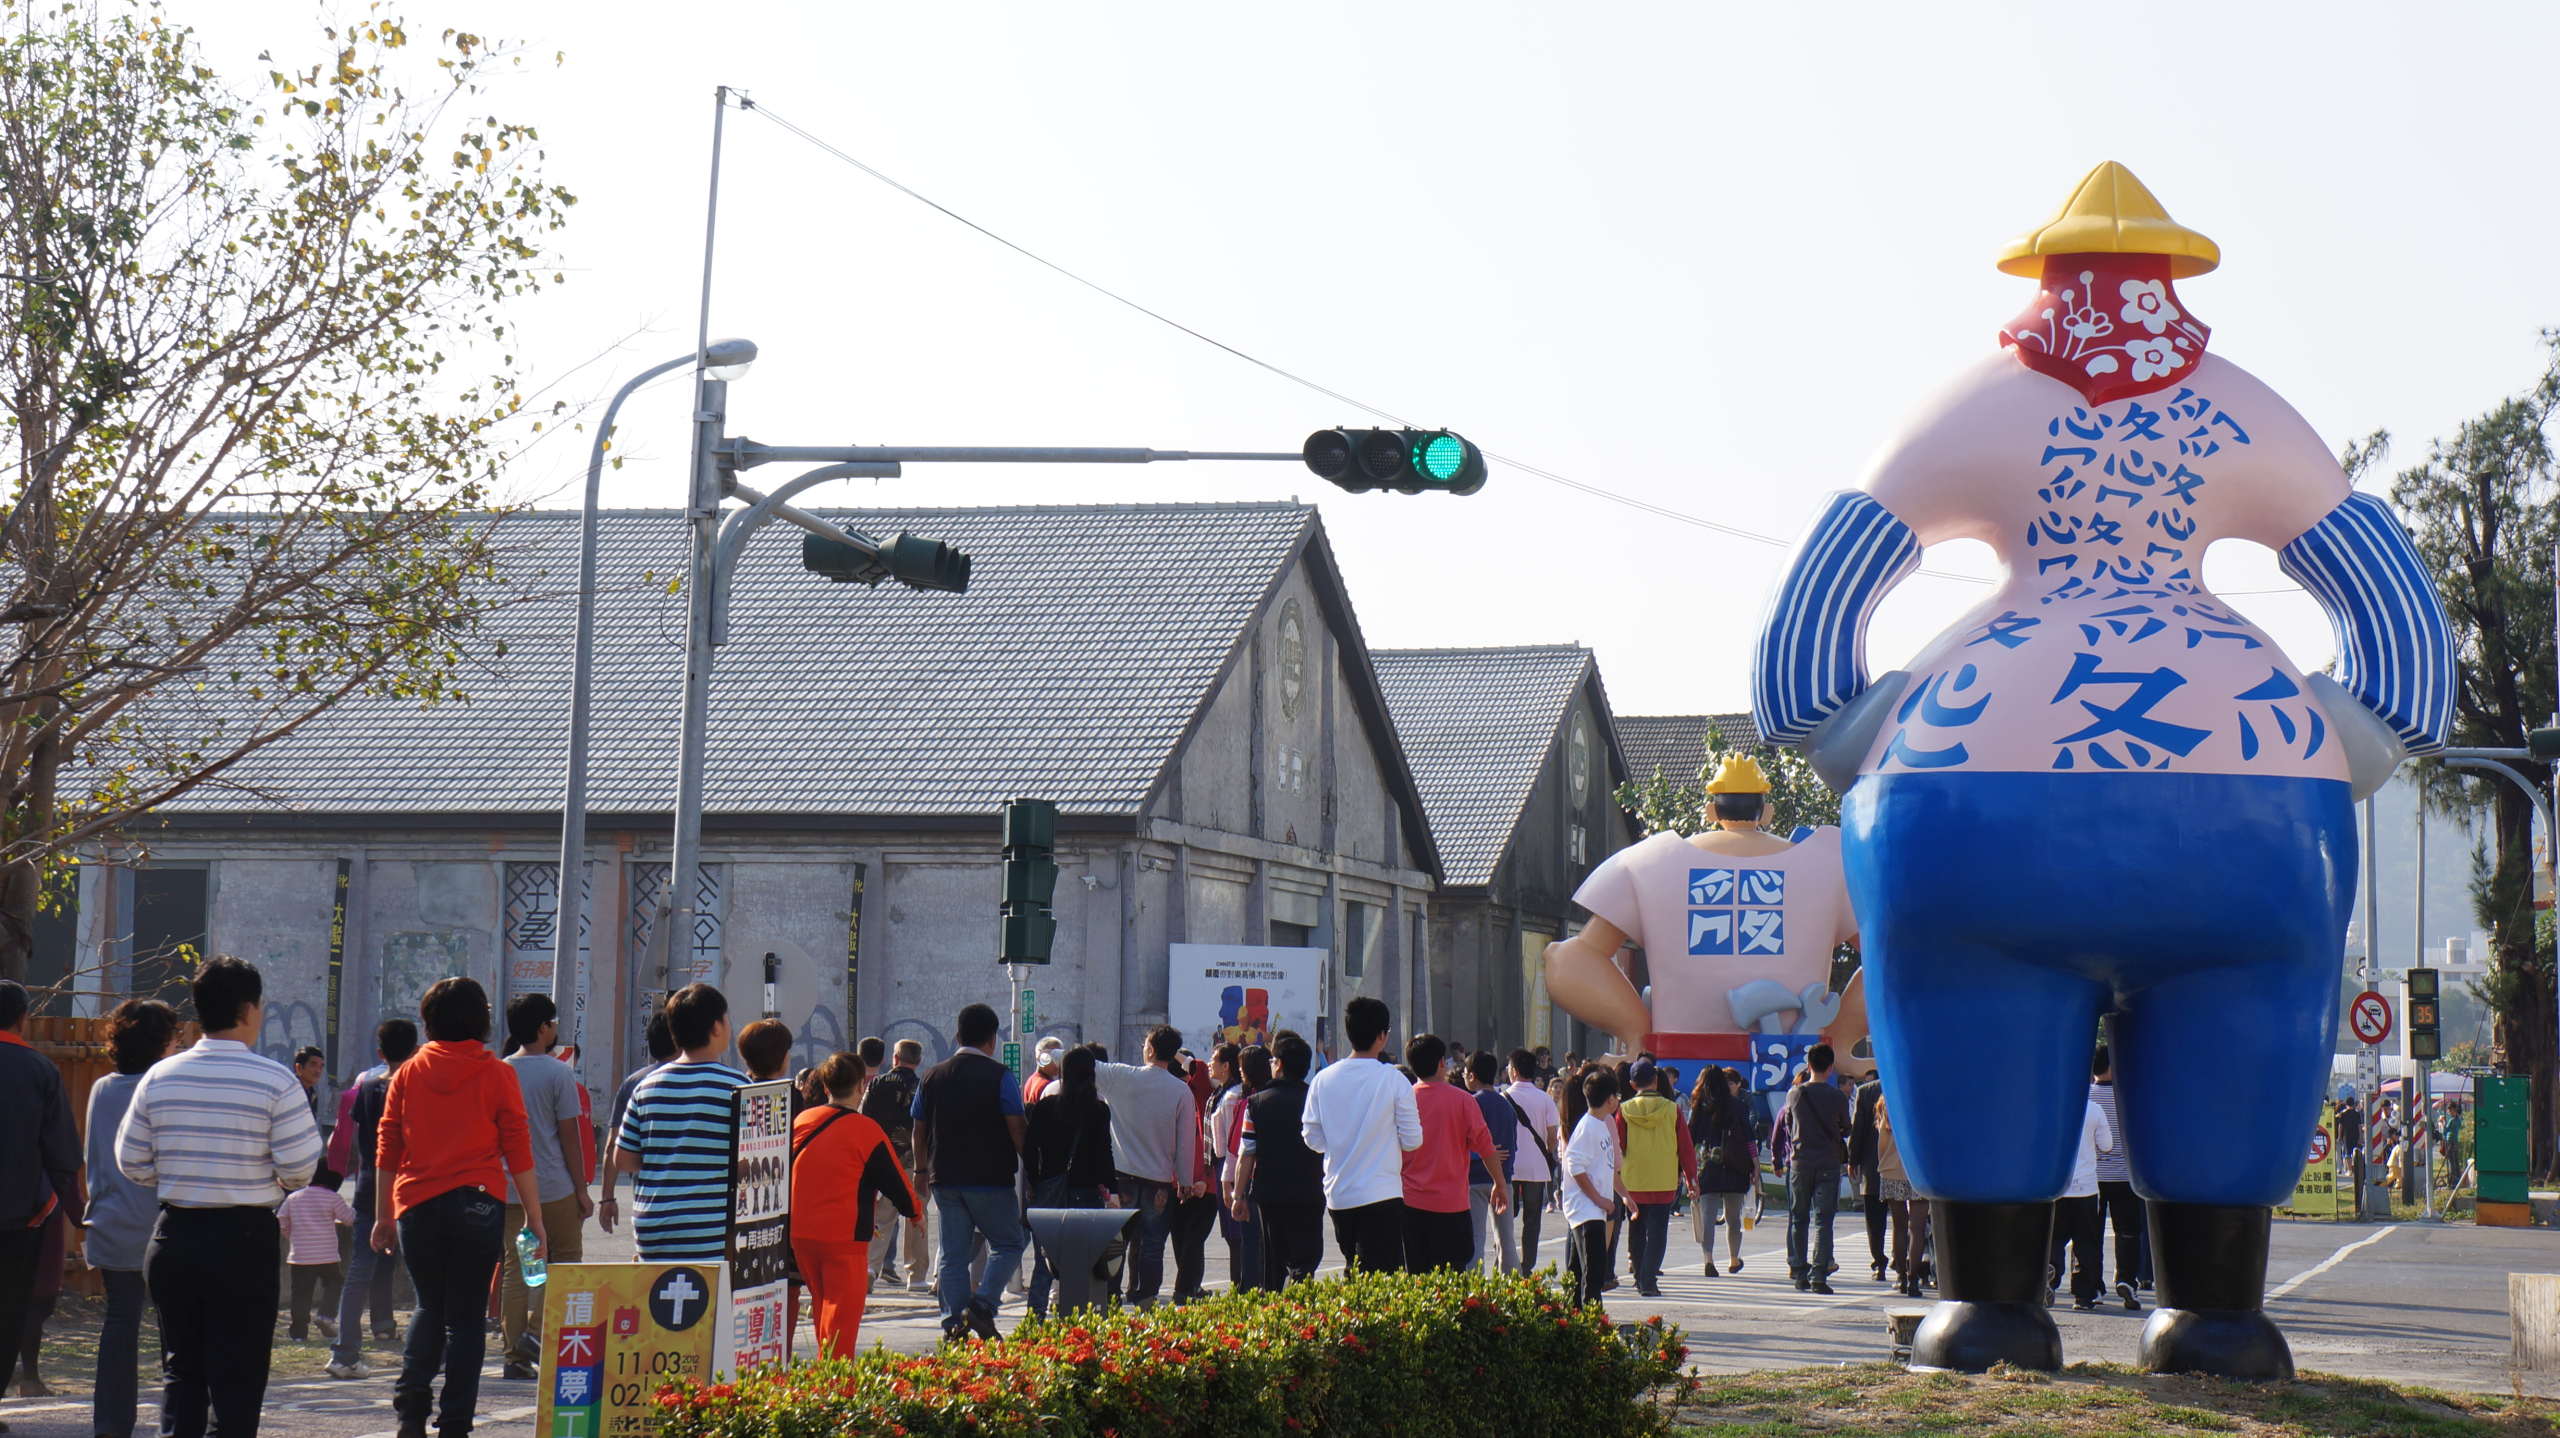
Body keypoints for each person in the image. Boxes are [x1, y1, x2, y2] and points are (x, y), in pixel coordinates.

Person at [116, 958, 317, 1438]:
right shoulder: (276, 1081)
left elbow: (132, 1161)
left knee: (182, 1372)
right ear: (249, 1009)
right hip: (243, 1239)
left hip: (175, 1236)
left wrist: (183, 1177)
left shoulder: (159, 1077)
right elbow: (301, 1168)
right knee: (237, 1382)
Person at [374, 977, 544, 1438]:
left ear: (429, 1020)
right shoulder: (496, 1073)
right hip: (480, 1204)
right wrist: (534, 1216)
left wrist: (383, 1216)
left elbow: (388, 1145)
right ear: (482, 1020)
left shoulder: (408, 1072)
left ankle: (410, 1413)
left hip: (417, 1204)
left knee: (430, 1308)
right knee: (466, 1318)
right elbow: (517, 1148)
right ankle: (454, 1424)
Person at [84, 998, 177, 1438]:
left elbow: (94, 1159)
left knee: (119, 1322)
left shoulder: (102, 1088)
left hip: (111, 1225)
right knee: (174, 1328)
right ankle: (176, 1421)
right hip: (163, 1227)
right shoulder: (167, 1087)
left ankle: (110, 1426)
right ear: (163, 1041)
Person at [912, 1003, 1029, 1340]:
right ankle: (982, 1307)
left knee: (953, 1254)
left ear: (957, 1035)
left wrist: (921, 1169)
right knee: (1009, 1242)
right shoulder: (1001, 1077)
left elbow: (918, 1128)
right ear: (992, 1040)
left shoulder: (932, 1076)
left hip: (943, 1178)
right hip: (990, 1179)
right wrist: (1033, 1170)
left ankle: (954, 1326)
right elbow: (1018, 1129)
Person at [790, 1051, 918, 1356]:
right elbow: (895, 1181)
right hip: (844, 1239)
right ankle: (835, 1387)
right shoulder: (865, 1130)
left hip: (801, 1236)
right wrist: (916, 1213)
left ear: (824, 1087)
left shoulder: (802, 1120)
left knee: (823, 1307)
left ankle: (823, 1375)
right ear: (862, 1086)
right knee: (842, 1319)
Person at [614, 985, 747, 1264]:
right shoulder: (737, 1087)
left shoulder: (646, 1087)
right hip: (714, 1230)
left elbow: (623, 1160)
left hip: (654, 1228)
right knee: (712, 1306)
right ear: (717, 1028)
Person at [498, 994, 592, 1379]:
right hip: (553, 1186)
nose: (556, 1028)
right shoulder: (558, 1074)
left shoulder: (500, 1070)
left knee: (516, 1268)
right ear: (542, 1028)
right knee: (565, 1260)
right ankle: (537, 1335)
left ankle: (513, 1355)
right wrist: (583, 1190)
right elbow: (569, 1137)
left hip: (507, 1188)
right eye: (553, 1021)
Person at [1300, 998, 1423, 1273]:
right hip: (1382, 1194)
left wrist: (1339, 1143)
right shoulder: (1393, 1079)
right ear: (1382, 1036)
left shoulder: (1323, 1079)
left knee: (1354, 1267)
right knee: (1377, 1278)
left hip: (1339, 1194)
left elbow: (1311, 1137)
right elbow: (1413, 1139)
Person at [0, 980, 77, 1413]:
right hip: (20, 1219)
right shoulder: (41, 1070)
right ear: (22, 1018)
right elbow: (62, 1156)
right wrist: (63, 1208)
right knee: (9, 1311)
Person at [328, 1018, 418, 1378]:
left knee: (359, 1271)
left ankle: (345, 1352)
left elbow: (356, 1138)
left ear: (380, 1052)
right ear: (415, 1050)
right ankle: (430, 1350)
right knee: (420, 1272)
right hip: (409, 1189)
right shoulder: (416, 1084)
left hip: (369, 1187)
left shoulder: (366, 1085)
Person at [1089, 1026, 1202, 1309]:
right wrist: (1185, 1182)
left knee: (1116, 1239)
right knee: (1153, 1242)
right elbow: (1186, 1142)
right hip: (1159, 1180)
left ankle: (1109, 1295)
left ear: (1150, 1049)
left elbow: (1081, 1060)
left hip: (1120, 1176)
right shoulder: (1181, 1091)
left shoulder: (1120, 1076)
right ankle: (1147, 1295)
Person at [1400, 1033, 1509, 1273]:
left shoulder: (1403, 1099)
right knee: (1453, 1274)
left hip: (1410, 1202)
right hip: (1451, 1204)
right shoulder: (1463, 1100)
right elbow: (1485, 1146)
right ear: (1442, 1063)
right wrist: (1500, 1183)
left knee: (1416, 1274)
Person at [1023, 1045, 1118, 1319]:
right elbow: (1104, 1155)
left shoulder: (1046, 1107)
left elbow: (1030, 1148)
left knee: (1043, 1262)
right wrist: (1111, 1191)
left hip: (1050, 1194)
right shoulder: (1099, 1111)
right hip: (1087, 1194)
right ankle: (1078, 1321)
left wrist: (1035, 1178)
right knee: (1084, 1263)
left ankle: (1035, 1318)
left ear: (1062, 1074)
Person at [1231, 1033, 1322, 1288]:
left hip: (1270, 1194)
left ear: (1279, 1064)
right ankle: (1302, 1313)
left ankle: (1273, 1313)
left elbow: (1246, 1153)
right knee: (1305, 1262)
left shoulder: (1256, 1103)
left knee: (1272, 1263)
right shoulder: (1315, 1100)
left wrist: (1239, 1196)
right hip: (1310, 1192)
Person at [596, 1006, 675, 1241]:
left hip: (647, 1197)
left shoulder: (634, 1083)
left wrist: (607, 1197)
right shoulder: (701, 1078)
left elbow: (613, 1145)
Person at [1619, 1059, 1694, 1297]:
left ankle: (1638, 1277)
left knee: (1636, 1228)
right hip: (1663, 1180)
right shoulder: (1673, 1110)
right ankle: (1649, 1280)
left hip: (1633, 1181)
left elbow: (1617, 1147)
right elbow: (1686, 1148)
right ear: (1656, 1081)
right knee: (1658, 1232)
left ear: (1632, 1084)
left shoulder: (1623, 1110)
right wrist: (1691, 1178)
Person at [1780, 1044, 1850, 1294]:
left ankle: (1799, 1272)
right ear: (1830, 1068)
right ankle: (1819, 1274)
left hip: (1800, 1163)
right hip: (1828, 1163)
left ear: (1807, 1066)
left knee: (1798, 1218)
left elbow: (1788, 1125)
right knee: (1824, 1221)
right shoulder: (1837, 1097)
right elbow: (1847, 1129)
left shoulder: (1793, 1094)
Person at [861, 1037, 928, 1292]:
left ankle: (870, 1268)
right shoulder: (923, 1087)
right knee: (917, 1216)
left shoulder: (877, 1084)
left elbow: (863, 1118)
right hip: (915, 1162)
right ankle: (917, 1277)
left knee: (881, 1217)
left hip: (882, 1161)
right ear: (918, 1061)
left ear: (895, 1059)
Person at [2051, 1083, 2116, 1311]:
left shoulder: (2054, 1107)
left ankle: (2051, 1273)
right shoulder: (2095, 1109)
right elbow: (2106, 1146)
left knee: (2055, 1237)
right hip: (2086, 1188)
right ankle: (2083, 1294)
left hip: (2057, 1186)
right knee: (2086, 1241)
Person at [1562, 1069, 1624, 1307]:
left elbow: (1605, 1166)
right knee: (1594, 1271)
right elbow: (1574, 1166)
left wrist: (1622, 1196)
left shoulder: (1599, 1124)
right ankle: (1592, 1323)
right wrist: (1599, 1200)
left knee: (1581, 1271)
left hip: (1594, 1209)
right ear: (1610, 1099)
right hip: (1587, 1210)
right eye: (1616, 1095)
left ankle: (1577, 1319)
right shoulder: (1587, 1127)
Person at [1206, 1044, 1263, 1291]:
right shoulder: (1226, 1093)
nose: (1209, 1063)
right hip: (1232, 1167)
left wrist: (1229, 1182)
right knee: (1239, 1235)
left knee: (1240, 1234)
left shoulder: (1236, 1099)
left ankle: (1243, 1286)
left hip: (1236, 1169)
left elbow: (1236, 1148)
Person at [2090, 1046, 2142, 1312]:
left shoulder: (2085, 1097)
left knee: (2090, 1234)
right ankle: (2126, 1280)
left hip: (2092, 1179)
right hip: (2124, 1176)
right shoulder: (2127, 1096)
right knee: (2128, 1232)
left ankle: (2093, 1288)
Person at [1500, 1049, 1560, 1275]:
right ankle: (1527, 1266)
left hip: (1508, 1166)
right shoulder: (1545, 1098)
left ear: (1514, 1071)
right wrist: (1548, 1153)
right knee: (1532, 1219)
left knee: (1505, 1218)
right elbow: (1552, 1136)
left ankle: (1504, 1262)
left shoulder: (1503, 1097)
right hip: (1537, 1166)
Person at [1689, 1066, 1753, 1277]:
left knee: (1708, 1216)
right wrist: (1755, 1165)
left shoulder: (1698, 1107)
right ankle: (1734, 1259)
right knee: (1733, 1217)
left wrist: (1688, 1170)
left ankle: (1708, 1259)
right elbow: (1748, 1135)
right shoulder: (1737, 1104)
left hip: (1707, 1166)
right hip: (1735, 1166)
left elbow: (1690, 1139)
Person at [1461, 1050, 1520, 1274]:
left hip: (1475, 1180)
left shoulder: (1470, 1103)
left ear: (1472, 1075)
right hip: (1503, 1180)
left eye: (1465, 1073)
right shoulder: (1506, 1105)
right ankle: (1513, 1290)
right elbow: (1513, 1145)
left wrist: (1480, 1155)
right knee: (1506, 1240)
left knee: (1475, 1241)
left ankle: (1473, 1291)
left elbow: (1462, 1143)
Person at [280, 1166, 356, 1341]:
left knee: (300, 1294)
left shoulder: (294, 1197)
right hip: (326, 1255)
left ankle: (298, 1333)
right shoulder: (332, 1197)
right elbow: (348, 1219)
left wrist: (292, 1236)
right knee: (334, 1283)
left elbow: (282, 1220)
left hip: (299, 1256)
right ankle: (326, 1315)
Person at [1167, 1048, 1219, 1301]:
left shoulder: (1203, 1096)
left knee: (1192, 1240)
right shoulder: (1169, 1096)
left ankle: (1182, 1290)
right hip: (1177, 1182)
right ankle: (1191, 1286)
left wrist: (1170, 1049)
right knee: (1182, 1241)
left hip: (1203, 1183)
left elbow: (1198, 1068)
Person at [1874, 1090, 1930, 1297]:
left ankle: (1901, 1277)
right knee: (1917, 1228)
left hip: (1891, 1172)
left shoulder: (1887, 1111)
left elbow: (1881, 1147)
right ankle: (1914, 1278)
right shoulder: (1921, 1110)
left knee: (1898, 1227)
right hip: (1919, 1173)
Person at [1850, 1070, 1887, 1283]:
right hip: (1902, 1165)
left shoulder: (1865, 1092)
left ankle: (1879, 1264)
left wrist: (1853, 1160)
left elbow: (1859, 1129)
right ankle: (1905, 1263)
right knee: (1904, 1220)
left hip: (1873, 1163)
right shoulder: (1904, 1082)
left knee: (1874, 1219)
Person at [1024, 1036, 1065, 1107]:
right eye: (1055, 1057)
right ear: (1044, 1058)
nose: (1059, 1063)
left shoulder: (1031, 1080)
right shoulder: (1046, 1085)